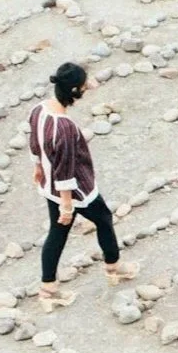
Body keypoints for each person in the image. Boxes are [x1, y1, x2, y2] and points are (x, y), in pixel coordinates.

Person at [27, 61, 134, 309]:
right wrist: (67, 204)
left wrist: (38, 166)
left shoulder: (39, 109)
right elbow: (65, 166)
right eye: (85, 86)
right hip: (76, 190)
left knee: (58, 234)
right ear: (75, 90)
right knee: (104, 219)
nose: (88, 88)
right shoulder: (64, 127)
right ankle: (114, 268)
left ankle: (48, 289)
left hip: (50, 186)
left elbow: (34, 141)